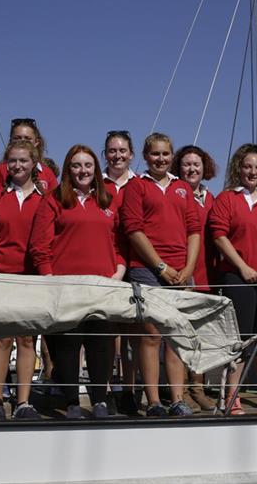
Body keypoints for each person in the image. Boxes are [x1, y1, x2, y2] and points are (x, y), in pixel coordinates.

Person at [29, 144, 126, 419]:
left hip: (102, 286)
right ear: (68, 169)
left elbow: (118, 242)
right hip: (66, 286)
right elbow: (40, 244)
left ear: (95, 169)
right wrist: (48, 277)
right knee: (68, 346)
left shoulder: (108, 200)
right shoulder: (54, 199)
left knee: (100, 345)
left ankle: (99, 401)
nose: (82, 171)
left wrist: (118, 269)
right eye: (76, 165)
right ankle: (72, 402)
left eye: (87, 165)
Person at [120, 133, 201, 417]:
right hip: (147, 269)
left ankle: (177, 398)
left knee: (176, 336)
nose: (161, 159)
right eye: (155, 154)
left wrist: (188, 268)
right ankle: (153, 400)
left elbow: (193, 229)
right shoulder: (136, 187)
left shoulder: (182, 188)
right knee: (151, 336)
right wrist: (160, 266)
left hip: (181, 271)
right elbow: (133, 229)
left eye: (166, 154)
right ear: (145, 155)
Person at [209, 144, 257, 415]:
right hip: (237, 276)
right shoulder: (227, 199)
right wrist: (242, 267)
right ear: (238, 168)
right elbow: (219, 235)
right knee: (240, 337)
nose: (252, 172)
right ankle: (234, 394)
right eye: (247, 166)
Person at [0, 141, 44, 420]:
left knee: (27, 341)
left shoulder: (44, 199)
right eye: (12, 161)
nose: (18, 166)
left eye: (23, 161)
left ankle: (24, 401)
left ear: (33, 163)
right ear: (6, 164)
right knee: (1, 341)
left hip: (31, 279)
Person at [171, 144, 219, 412]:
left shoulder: (211, 199)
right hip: (182, 272)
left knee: (200, 336)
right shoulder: (174, 194)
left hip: (206, 273)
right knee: (180, 335)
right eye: (187, 164)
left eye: (196, 165)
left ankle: (197, 387)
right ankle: (180, 391)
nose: (191, 169)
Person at [102, 130, 139, 415]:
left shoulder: (140, 184)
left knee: (132, 333)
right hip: (105, 264)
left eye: (122, 150)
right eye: (112, 150)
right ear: (105, 154)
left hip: (135, 263)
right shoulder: (96, 185)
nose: (118, 155)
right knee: (105, 332)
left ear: (131, 154)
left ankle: (129, 389)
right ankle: (104, 389)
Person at [0, 118, 58, 192]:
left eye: (27, 139)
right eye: (17, 138)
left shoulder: (47, 173)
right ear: (10, 141)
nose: (22, 142)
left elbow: (55, 201)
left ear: (36, 142)